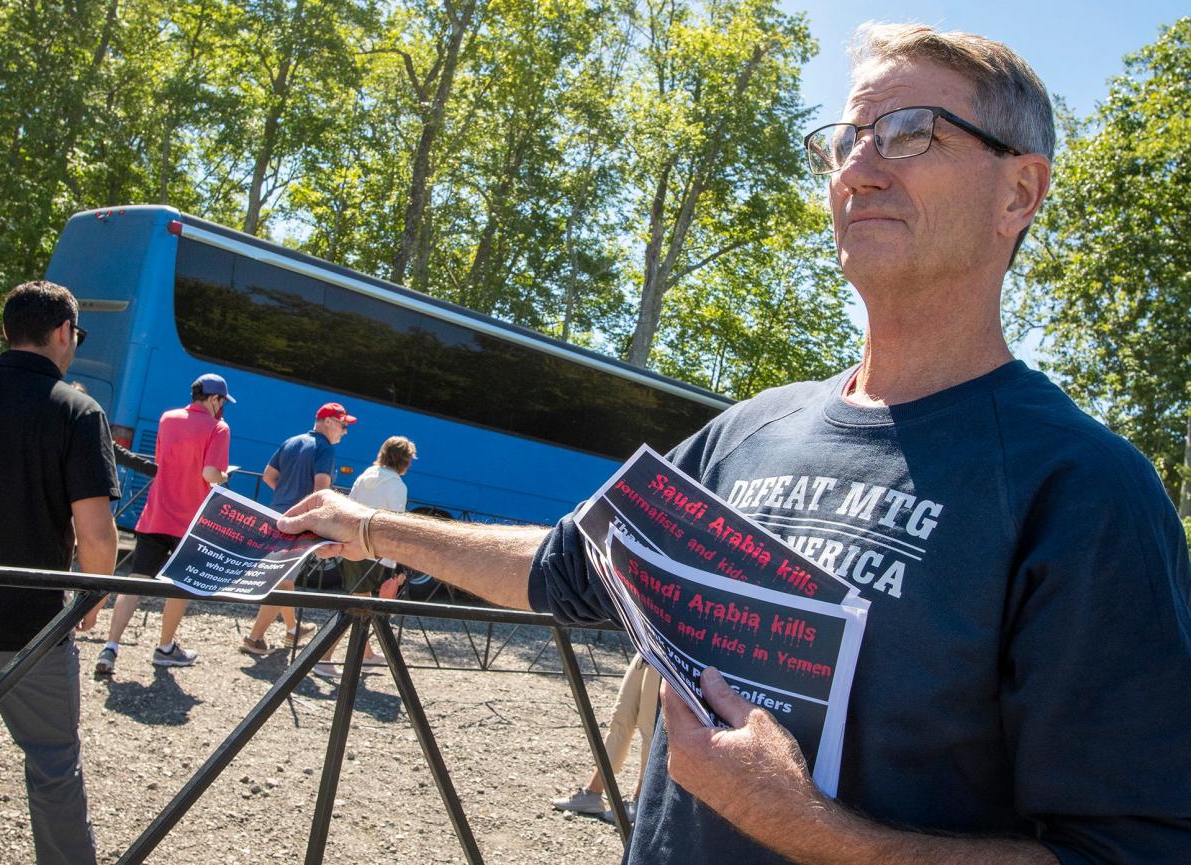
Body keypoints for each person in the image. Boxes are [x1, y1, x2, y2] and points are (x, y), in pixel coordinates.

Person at [275, 22, 1191, 865]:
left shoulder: (1085, 491)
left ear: (1018, 191)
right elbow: (566, 566)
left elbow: (1127, 853)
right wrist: (366, 529)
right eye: (845, 139)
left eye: (911, 130)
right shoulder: (748, 429)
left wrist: (807, 826)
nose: (859, 168)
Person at [0, 280, 119, 864]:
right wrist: (90, 603)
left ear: (6, 331)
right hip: (30, 629)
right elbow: (96, 535)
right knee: (52, 764)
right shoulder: (77, 410)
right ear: (64, 333)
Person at [94, 373, 233, 674]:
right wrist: (224, 476)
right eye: (222, 401)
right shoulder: (219, 428)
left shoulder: (168, 418)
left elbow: (162, 461)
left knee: (135, 583)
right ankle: (165, 648)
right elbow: (210, 474)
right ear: (213, 399)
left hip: (157, 514)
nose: (222, 408)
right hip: (190, 523)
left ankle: (110, 647)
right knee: (180, 587)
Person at [240, 402, 356, 655]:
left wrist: (286, 497)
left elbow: (268, 476)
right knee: (281, 581)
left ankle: (293, 630)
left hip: (277, 515)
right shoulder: (324, 450)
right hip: (301, 522)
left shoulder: (291, 441)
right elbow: (321, 491)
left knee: (283, 578)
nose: (345, 431)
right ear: (328, 422)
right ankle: (254, 638)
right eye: (343, 425)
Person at [313, 435, 416, 678]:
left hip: (352, 547)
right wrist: (398, 563)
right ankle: (323, 658)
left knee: (362, 604)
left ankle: (366, 655)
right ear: (404, 461)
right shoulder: (397, 486)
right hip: (375, 553)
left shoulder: (365, 476)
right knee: (356, 608)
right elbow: (395, 525)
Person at [67, 381, 157, 633]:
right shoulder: (87, 425)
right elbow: (121, 454)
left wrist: (158, 470)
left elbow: (119, 453)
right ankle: (80, 609)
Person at [551, 652, 658, 823]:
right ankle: (593, 791)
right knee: (620, 717)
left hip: (667, 651)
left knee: (649, 726)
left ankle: (641, 800)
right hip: (646, 646)